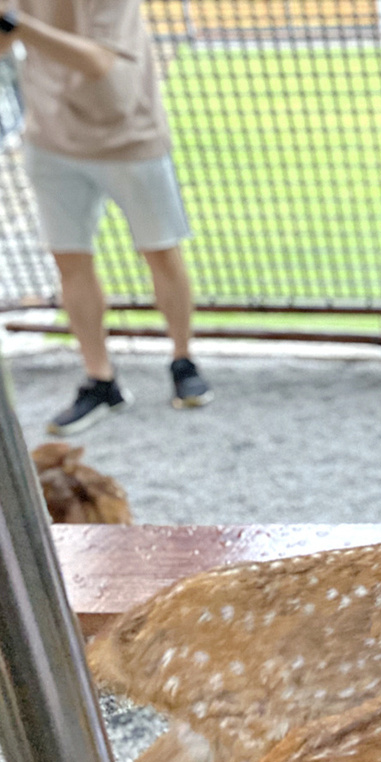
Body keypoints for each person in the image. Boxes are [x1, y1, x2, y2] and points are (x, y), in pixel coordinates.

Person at [0, 1, 211, 436]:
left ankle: (182, 359)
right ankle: (101, 381)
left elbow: (97, 59)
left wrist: (19, 25)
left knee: (160, 252)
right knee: (70, 262)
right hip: (50, 136)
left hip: (129, 135)